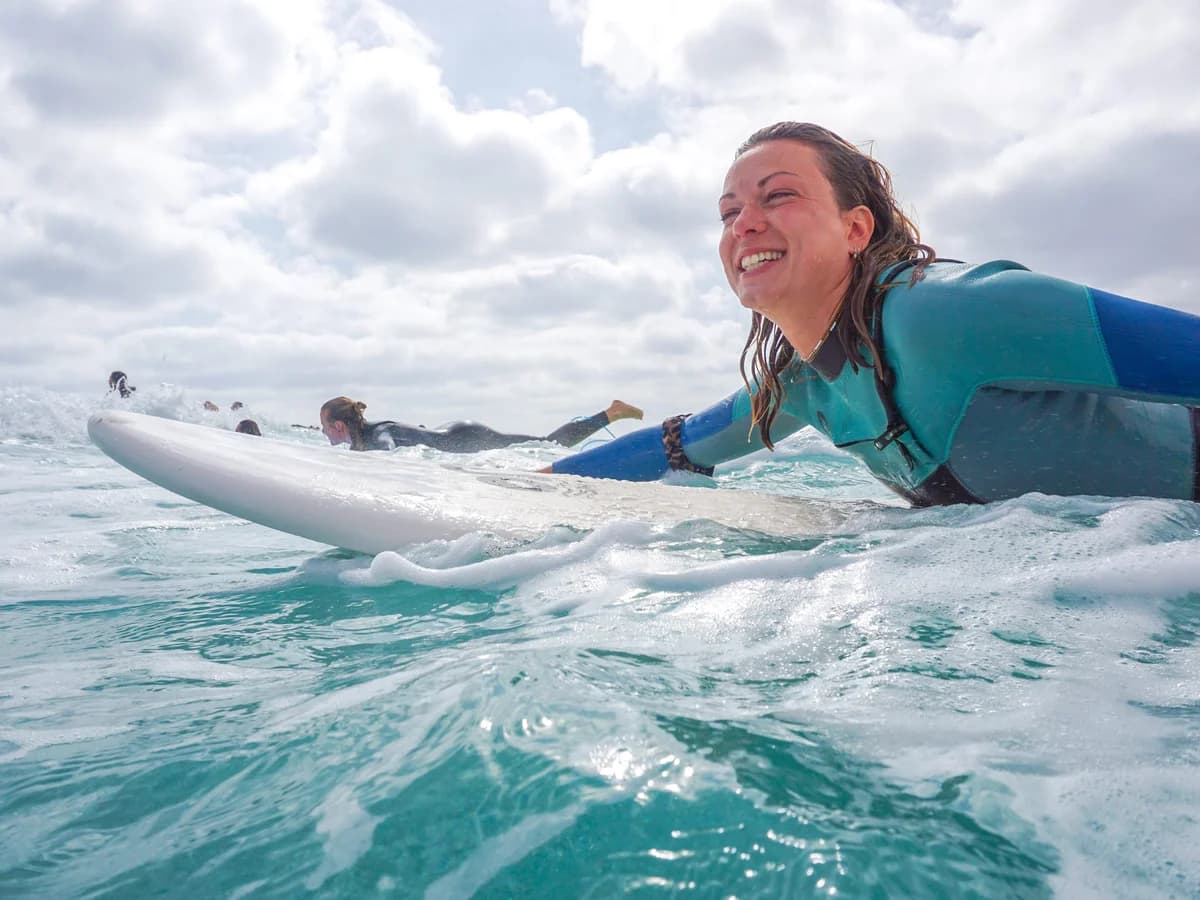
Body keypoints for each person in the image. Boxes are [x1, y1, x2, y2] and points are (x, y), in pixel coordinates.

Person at [546, 122, 1200, 506]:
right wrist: (523, 489)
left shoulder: (952, 314)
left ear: (856, 228)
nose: (745, 224)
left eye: (778, 196)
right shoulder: (806, 385)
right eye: (728, 213)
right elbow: (680, 448)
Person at [320, 396, 644, 453]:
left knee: (549, 444)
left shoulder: (378, 434)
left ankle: (611, 413)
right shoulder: (366, 437)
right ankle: (610, 412)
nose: (322, 433)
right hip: (454, 431)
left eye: (323, 426)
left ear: (338, 426)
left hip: (466, 437)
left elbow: (388, 450)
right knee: (545, 443)